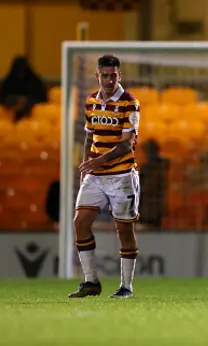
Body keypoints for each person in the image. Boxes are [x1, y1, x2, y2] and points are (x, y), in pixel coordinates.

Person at [68, 54, 141, 299]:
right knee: (80, 222)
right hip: (96, 176)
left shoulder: (130, 103)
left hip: (121, 175)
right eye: (105, 75)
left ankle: (126, 287)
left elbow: (126, 145)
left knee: (124, 230)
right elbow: (91, 136)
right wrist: (86, 164)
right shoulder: (90, 101)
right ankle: (91, 282)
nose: (109, 80)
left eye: (113, 75)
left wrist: (97, 161)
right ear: (97, 75)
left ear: (119, 76)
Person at [0, 56, 48, 121]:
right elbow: (1, 97)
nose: (20, 75)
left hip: (31, 109)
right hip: (9, 112)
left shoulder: (35, 81)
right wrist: (15, 100)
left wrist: (26, 100)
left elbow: (42, 98)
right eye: (18, 72)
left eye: (22, 72)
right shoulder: (8, 81)